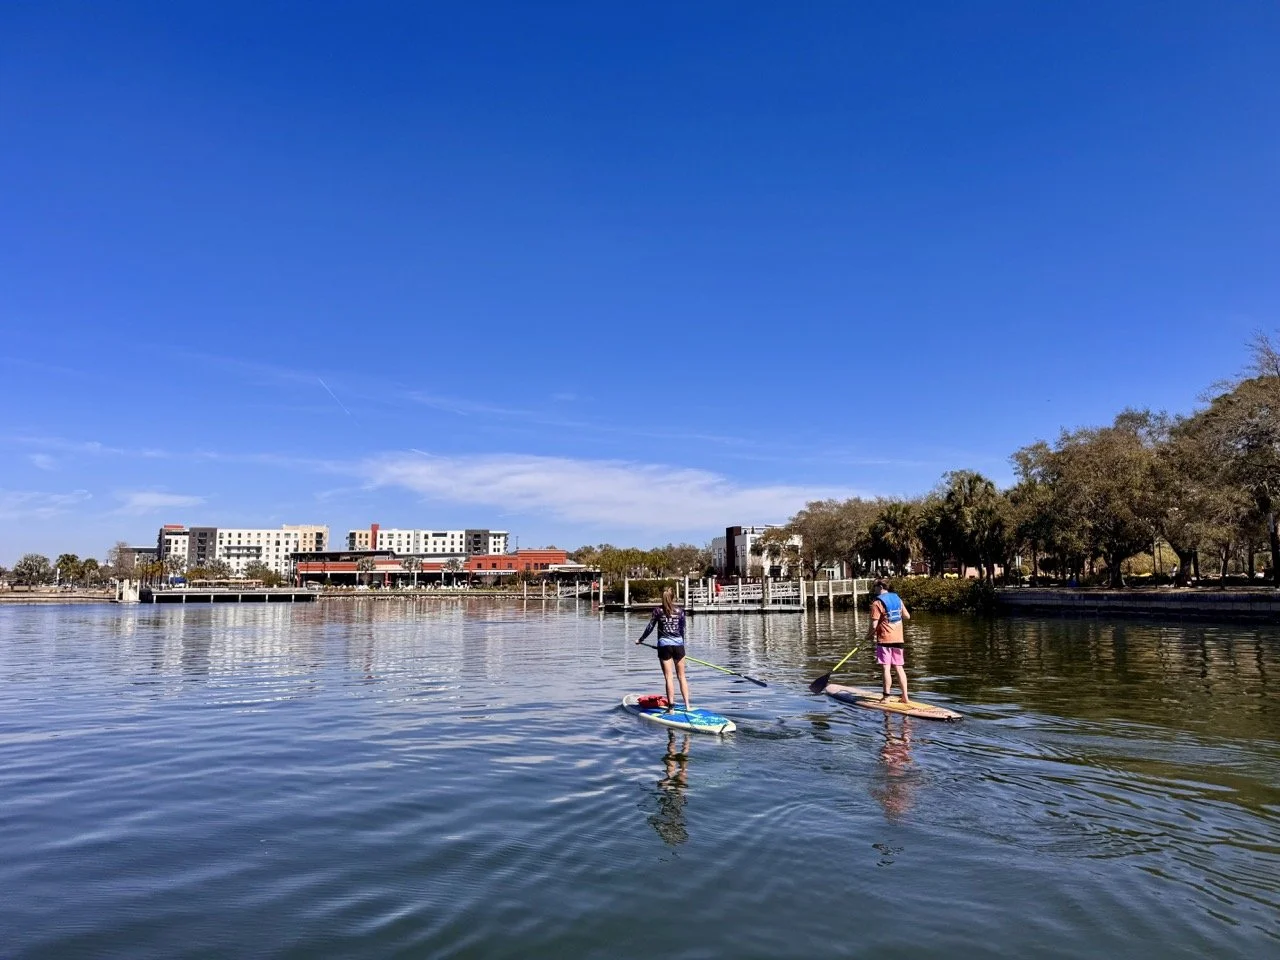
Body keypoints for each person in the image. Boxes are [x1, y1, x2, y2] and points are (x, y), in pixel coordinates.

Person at [636, 586, 691, 712]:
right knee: (682, 676)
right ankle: (687, 705)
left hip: (664, 646)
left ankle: (670, 707)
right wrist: (680, 645)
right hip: (678, 645)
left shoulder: (657, 611)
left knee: (668, 677)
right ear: (673, 597)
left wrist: (641, 640)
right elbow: (682, 630)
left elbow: (650, 627)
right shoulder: (680, 611)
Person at [867, 579, 911, 704]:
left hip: (885, 639)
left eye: (875, 586)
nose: (874, 589)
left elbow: (874, 625)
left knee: (886, 668)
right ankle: (905, 697)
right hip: (899, 639)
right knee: (899, 667)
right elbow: (907, 616)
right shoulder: (897, 599)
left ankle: (886, 697)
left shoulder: (877, 603)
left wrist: (868, 636)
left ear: (880, 587)